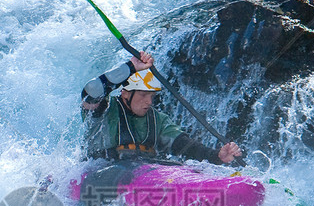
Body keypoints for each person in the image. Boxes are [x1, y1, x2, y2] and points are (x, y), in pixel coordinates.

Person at [81, 50, 242, 164]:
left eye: (152, 96)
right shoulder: (104, 111)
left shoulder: (157, 119)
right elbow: (92, 90)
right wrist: (130, 67)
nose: (149, 102)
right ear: (125, 93)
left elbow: (184, 146)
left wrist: (216, 156)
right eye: (143, 95)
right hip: (100, 174)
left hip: (139, 176)